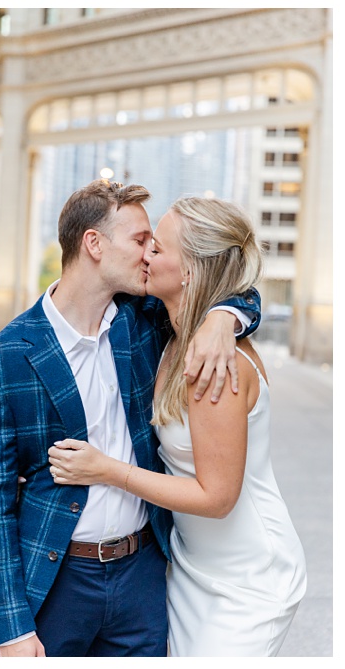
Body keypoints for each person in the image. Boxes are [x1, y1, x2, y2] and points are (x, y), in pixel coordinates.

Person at [0, 180, 260, 657]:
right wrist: (11, 630)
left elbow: (230, 284)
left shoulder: (145, 321)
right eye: (140, 240)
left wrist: (224, 318)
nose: (149, 254)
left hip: (143, 575)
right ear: (94, 244)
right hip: (58, 580)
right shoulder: (0, 362)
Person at [48, 197, 306, 656]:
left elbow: (217, 497)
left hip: (245, 578)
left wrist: (106, 470)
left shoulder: (216, 365)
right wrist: (226, 313)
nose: (146, 255)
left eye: (158, 248)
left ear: (189, 270)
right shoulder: (169, 333)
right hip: (189, 568)